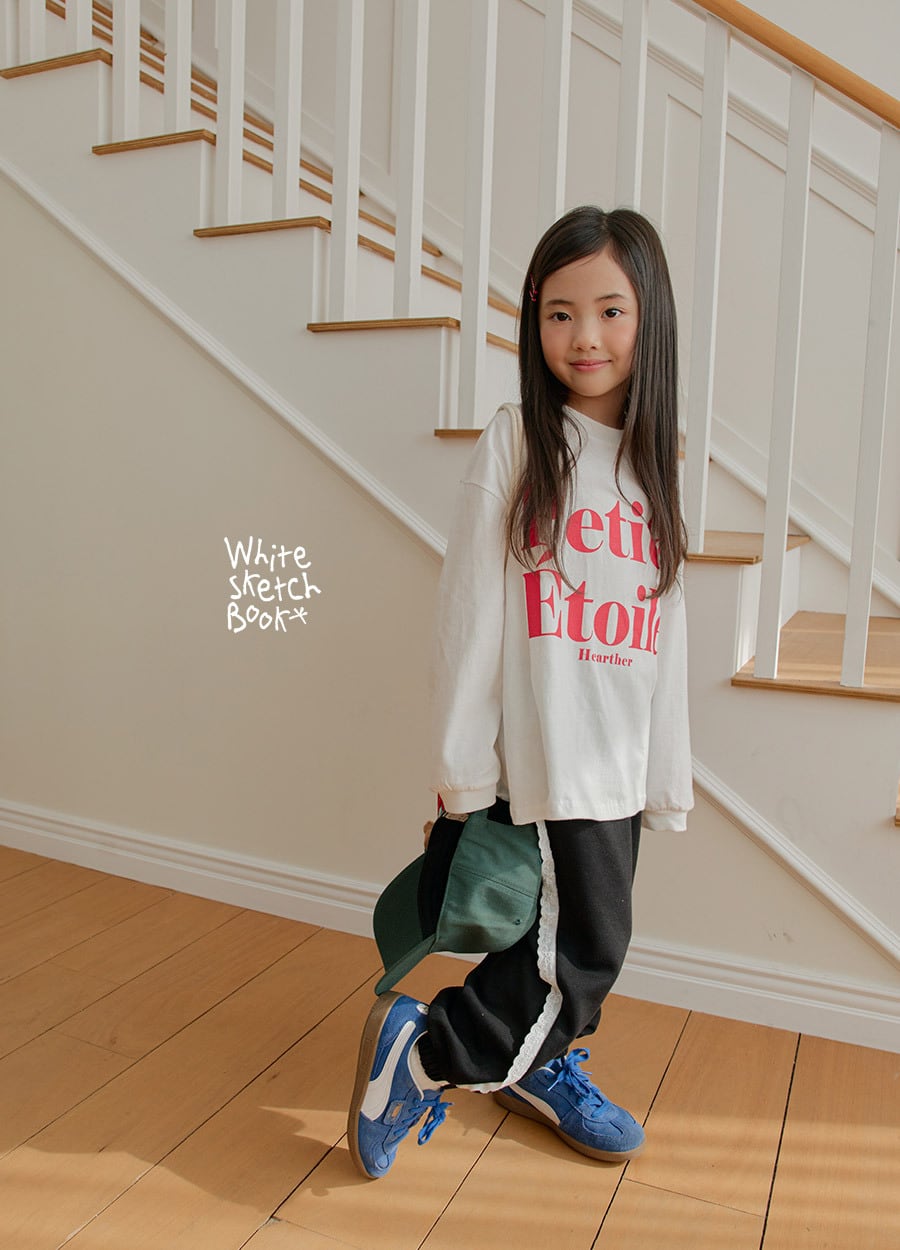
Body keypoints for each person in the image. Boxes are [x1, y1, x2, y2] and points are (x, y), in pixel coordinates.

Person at [348, 205, 693, 1180]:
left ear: (650, 317)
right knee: (584, 951)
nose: (585, 337)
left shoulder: (657, 462)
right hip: (545, 760)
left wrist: (664, 775)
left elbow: (668, 630)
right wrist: (462, 770)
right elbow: (468, 616)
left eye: (611, 311)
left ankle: (532, 1060)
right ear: (534, 323)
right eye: (559, 314)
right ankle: (425, 1054)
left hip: (616, 760)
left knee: (573, 945)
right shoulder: (518, 442)